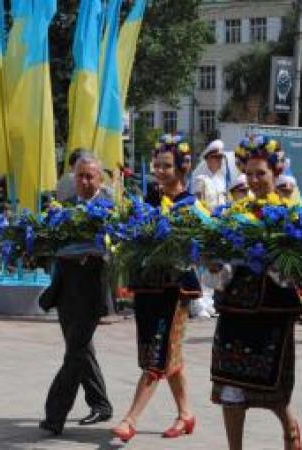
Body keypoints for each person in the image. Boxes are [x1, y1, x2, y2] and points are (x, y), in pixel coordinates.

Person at [210, 136, 302, 450]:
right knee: (231, 387)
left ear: (276, 174)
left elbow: (296, 270)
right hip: (235, 308)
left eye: (261, 173)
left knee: (272, 389)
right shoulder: (236, 212)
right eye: (249, 173)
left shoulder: (292, 216)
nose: (254, 180)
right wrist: (215, 266)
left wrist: (272, 260)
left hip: (272, 309)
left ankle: (290, 429)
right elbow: (225, 267)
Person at [111, 139, 200, 443]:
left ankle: (129, 420)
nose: (160, 171)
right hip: (148, 287)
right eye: (157, 165)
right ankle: (186, 414)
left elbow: (198, 246)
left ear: (181, 169)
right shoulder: (147, 199)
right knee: (165, 353)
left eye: (167, 166)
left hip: (176, 290)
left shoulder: (191, 204)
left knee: (158, 354)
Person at [38, 153, 113, 436]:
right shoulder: (64, 209)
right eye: (79, 176)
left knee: (75, 353)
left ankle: (54, 414)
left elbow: (112, 250)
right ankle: (101, 404)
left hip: (93, 291)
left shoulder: (109, 211)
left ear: (100, 179)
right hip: (66, 291)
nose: (83, 181)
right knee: (80, 349)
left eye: (89, 176)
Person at [193, 139, 228, 212]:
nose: (219, 160)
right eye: (216, 157)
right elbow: (198, 204)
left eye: (221, 157)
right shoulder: (201, 180)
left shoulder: (222, 179)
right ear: (207, 159)